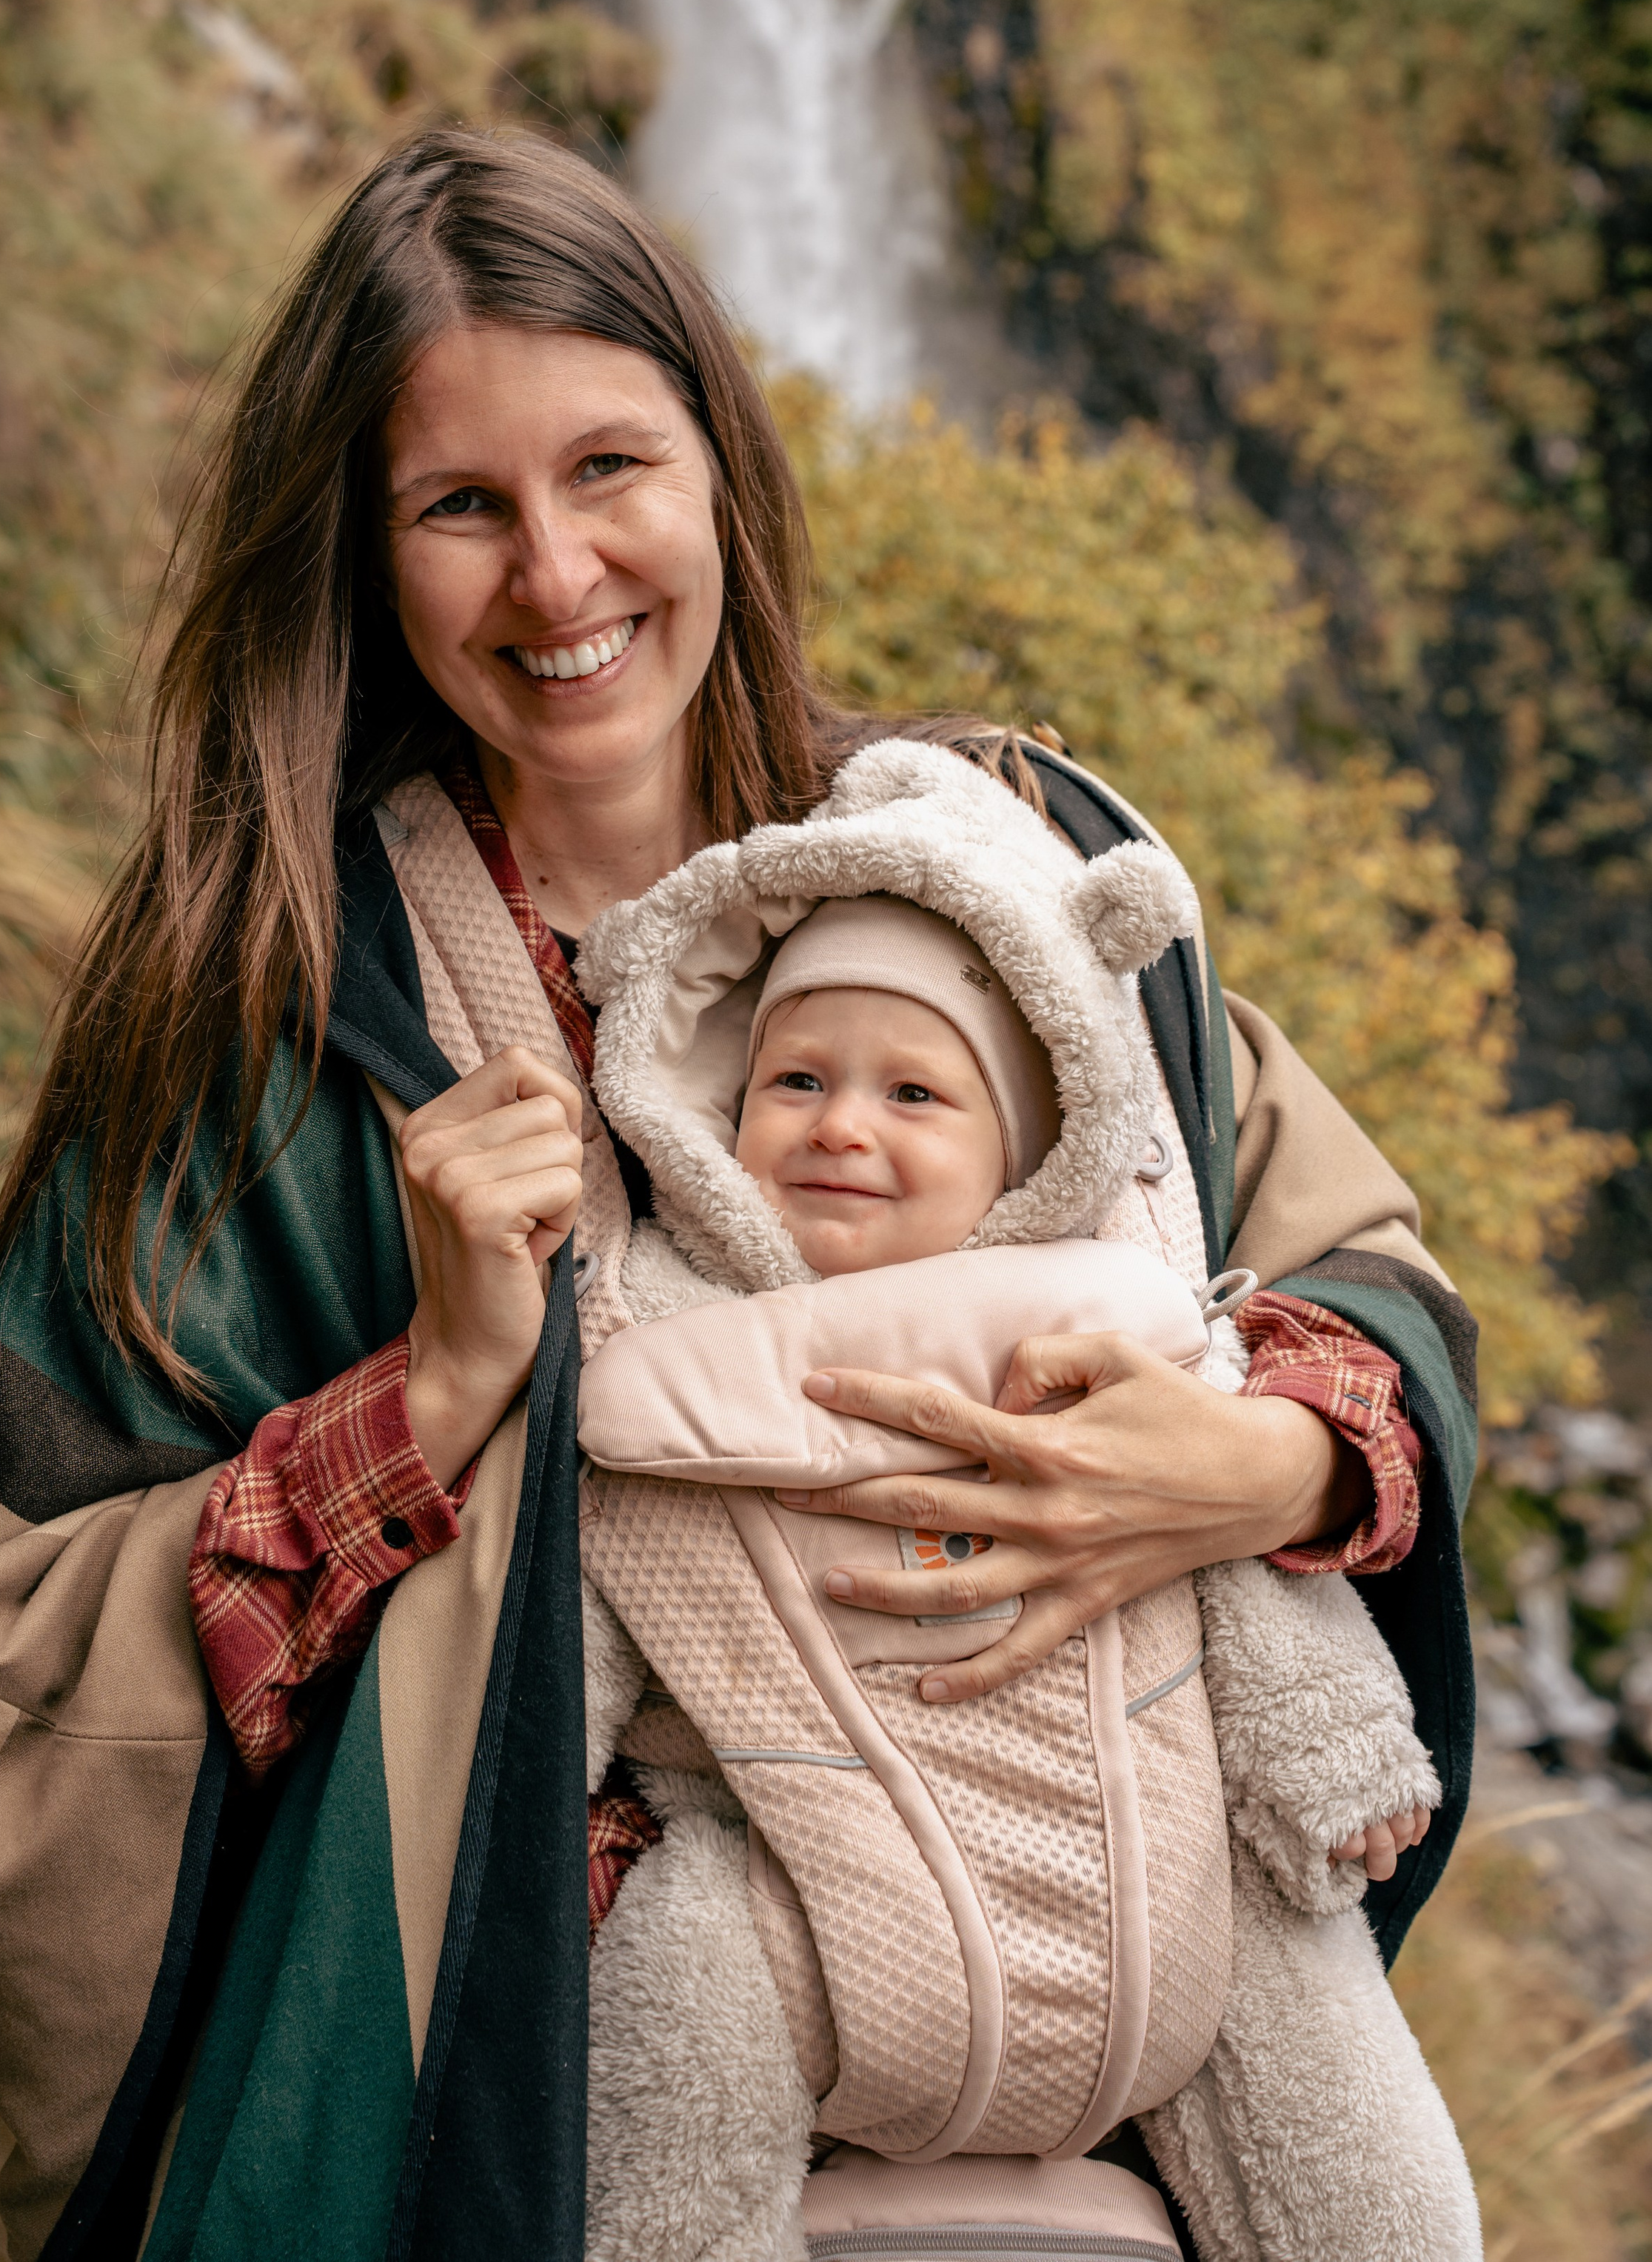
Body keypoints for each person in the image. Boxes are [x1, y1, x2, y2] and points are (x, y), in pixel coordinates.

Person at [0, 127, 1478, 2262]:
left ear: (723, 462)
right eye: (459, 507)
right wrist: (435, 1399)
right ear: (360, 553)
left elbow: (1358, 1267)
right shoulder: (267, 1035)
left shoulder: (992, 866)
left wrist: (1249, 1462)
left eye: (611, 467)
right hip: (564, 2150)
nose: (556, 579)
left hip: (1114, 2134)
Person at [567, 776, 1471, 2260]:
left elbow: (1223, 1575)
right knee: (682, 2008)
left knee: (1344, 2129)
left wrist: (1324, 1742)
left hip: (1164, 1876)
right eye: (794, 1082)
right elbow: (587, 1619)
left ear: (1027, 1146)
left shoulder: (1108, 1345)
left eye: (912, 1095)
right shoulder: (664, 1374)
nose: (840, 1127)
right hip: (802, 1891)